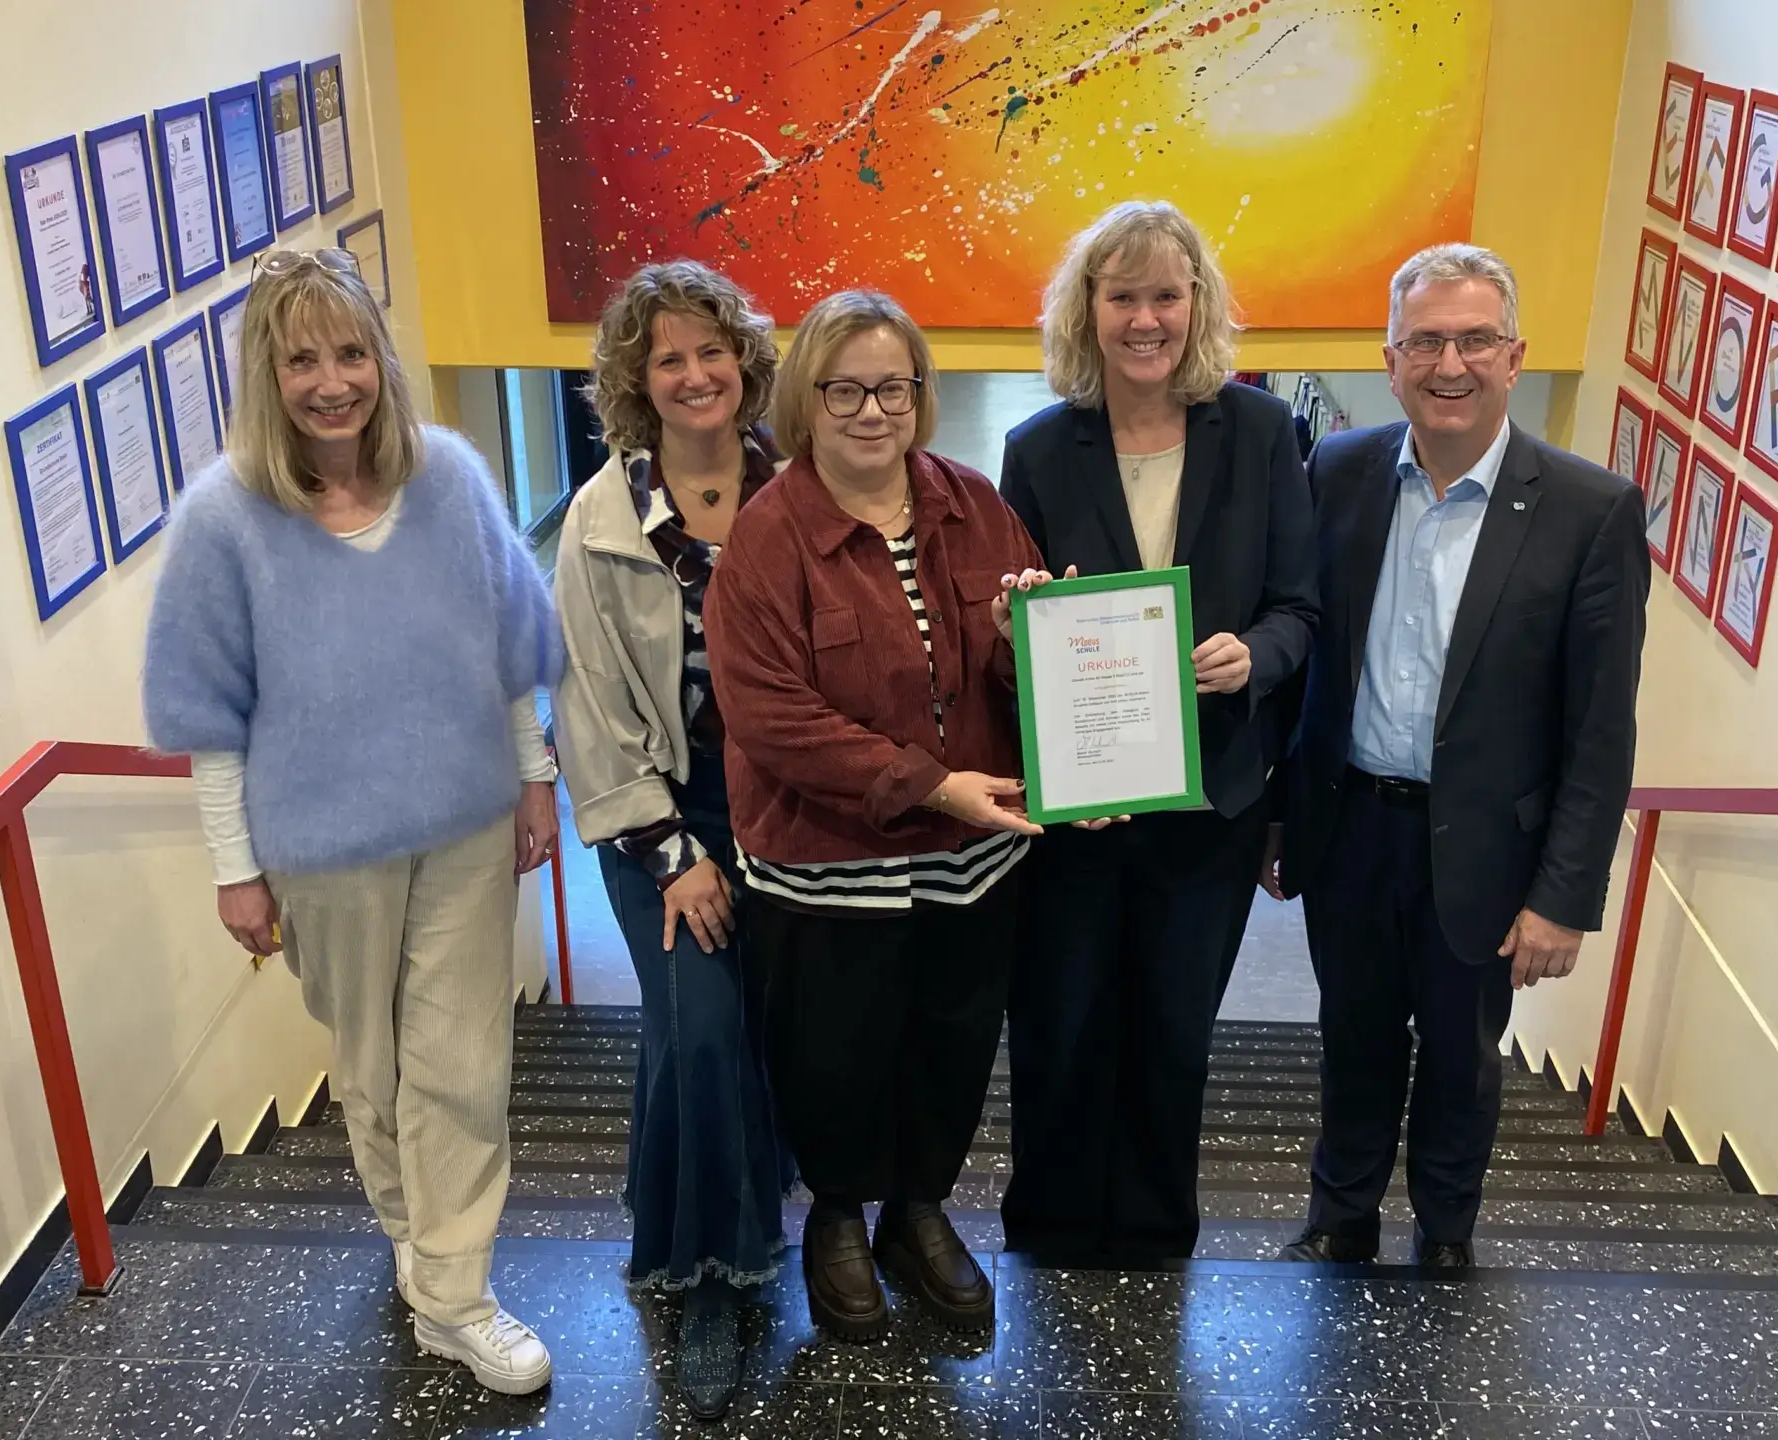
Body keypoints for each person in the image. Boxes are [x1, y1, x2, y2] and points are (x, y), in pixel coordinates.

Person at [142, 248, 563, 1395]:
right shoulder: (224, 521)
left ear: (381, 357)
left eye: (350, 352)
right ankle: (415, 1240)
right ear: (266, 376)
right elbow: (211, 719)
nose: (332, 383)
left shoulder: (449, 480)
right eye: (301, 361)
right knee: (372, 1071)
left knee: (460, 1063)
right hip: (322, 851)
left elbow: (510, 644)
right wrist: (234, 869)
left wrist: (535, 774)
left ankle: (456, 1296)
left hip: (464, 823)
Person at [1267, 244, 1647, 1268]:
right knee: (1351, 1038)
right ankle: (1340, 1216)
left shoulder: (1590, 510)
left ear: (1515, 357)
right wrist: (1280, 814)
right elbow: (1304, 656)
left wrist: (1565, 895)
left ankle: (1445, 1233)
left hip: (1485, 849)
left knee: (1460, 1056)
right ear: (1390, 361)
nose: (1450, 364)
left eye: (1476, 340)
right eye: (1426, 342)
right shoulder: (1336, 471)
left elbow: (1600, 728)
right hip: (1349, 825)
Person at [704, 290, 1046, 1342]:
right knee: (834, 1055)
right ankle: (839, 1217)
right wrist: (927, 783)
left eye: (891, 388)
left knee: (951, 1045)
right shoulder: (768, 537)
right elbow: (771, 716)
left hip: (969, 862)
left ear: (920, 395)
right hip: (828, 866)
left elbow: (1008, 679)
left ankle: (918, 1210)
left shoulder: (974, 504)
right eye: (843, 390)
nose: (870, 412)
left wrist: (1022, 640)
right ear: (806, 401)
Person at [997, 201, 1317, 1261]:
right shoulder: (1039, 449)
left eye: (1166, 296)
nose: (1146, 319)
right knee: (1060, 1020)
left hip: (1211, 799)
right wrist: (1018, 614)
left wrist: (1254, 655)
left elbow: (1300, 608)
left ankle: (1151, 1230)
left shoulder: (1263, 433)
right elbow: (1011, 630)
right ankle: (1049, 1227)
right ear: (1086, 310)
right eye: (1123, 295)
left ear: (1198, 305)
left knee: (1175, 1029)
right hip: (1081, 803)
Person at [551, 260, 788, 1421]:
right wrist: (674, 859)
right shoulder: (600, 524)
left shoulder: (798, 493)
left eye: (711, 349)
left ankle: (676, 1215)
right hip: (664, 822)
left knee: (734, 1034)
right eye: (668, 359)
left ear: (743, 360)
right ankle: (711, 1281)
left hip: (790, 814)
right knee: (699, 1034)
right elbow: (588, 709)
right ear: (637, 383)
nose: (695, 374)